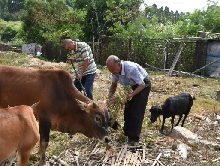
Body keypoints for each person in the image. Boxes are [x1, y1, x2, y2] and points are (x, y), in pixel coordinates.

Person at [106, 55, 151, 146]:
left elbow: (142, 85)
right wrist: (109, 99)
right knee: (127, 110)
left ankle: (134, 139)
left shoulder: (131, 69)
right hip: (130, 87)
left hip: (142, 86)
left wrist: (131, 95)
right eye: (109, 70)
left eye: (112, 70)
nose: (112, 72)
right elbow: (114, 86)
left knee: (136, 112)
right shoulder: (114, 71)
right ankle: (126, 134)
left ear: (119, 65)